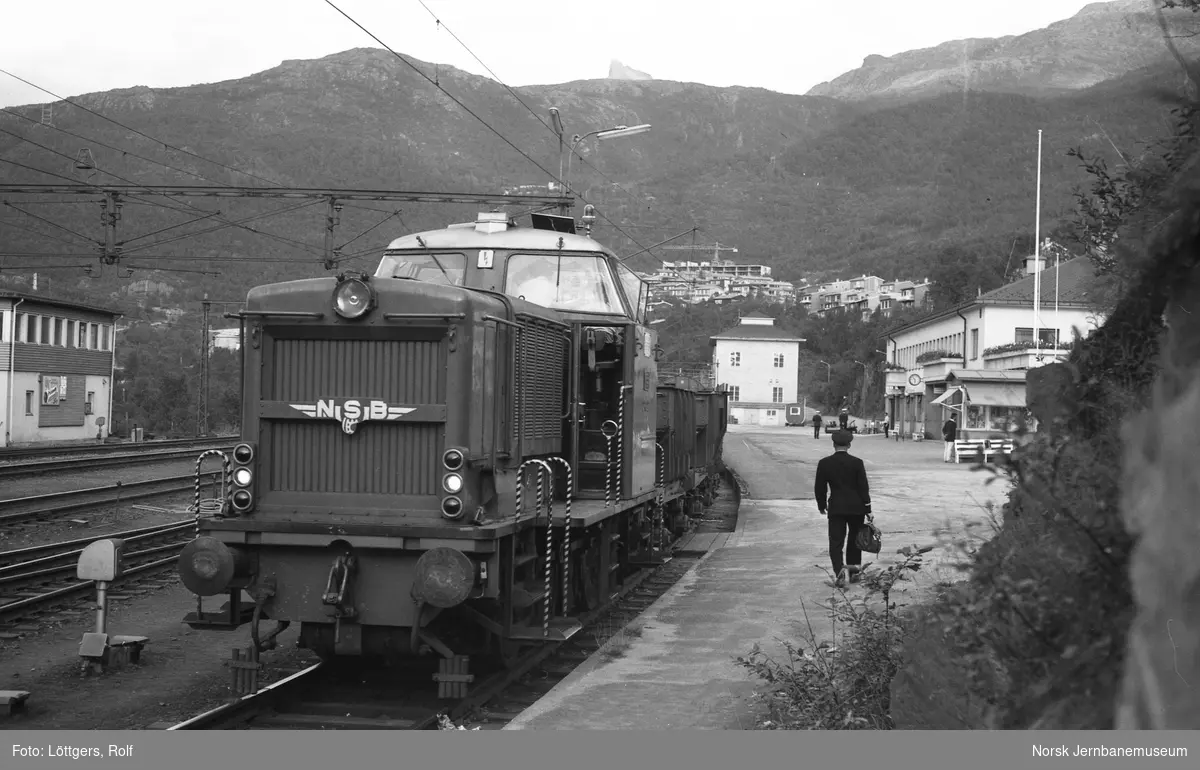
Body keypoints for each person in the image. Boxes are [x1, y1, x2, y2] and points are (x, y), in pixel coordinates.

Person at [814, 430, 873, 587]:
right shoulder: (857, 463)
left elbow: (819, 487)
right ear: (849, 445)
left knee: (836, 542)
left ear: (833, 445)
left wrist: (821, 505)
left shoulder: (825, 463)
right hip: (856, 508)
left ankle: (840, 573)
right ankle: (854, 574)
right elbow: (863, 487)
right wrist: (868, 508)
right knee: (855, 541)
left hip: (836, 508)